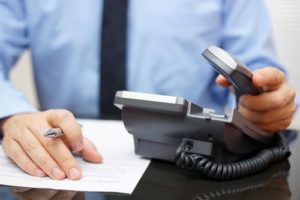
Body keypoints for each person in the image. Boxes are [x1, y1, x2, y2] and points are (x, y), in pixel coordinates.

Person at [0, 0, 296, 181]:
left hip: (195, 167)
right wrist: (12, 116)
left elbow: (256, 70)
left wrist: (263, 101)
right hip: (67, 162)